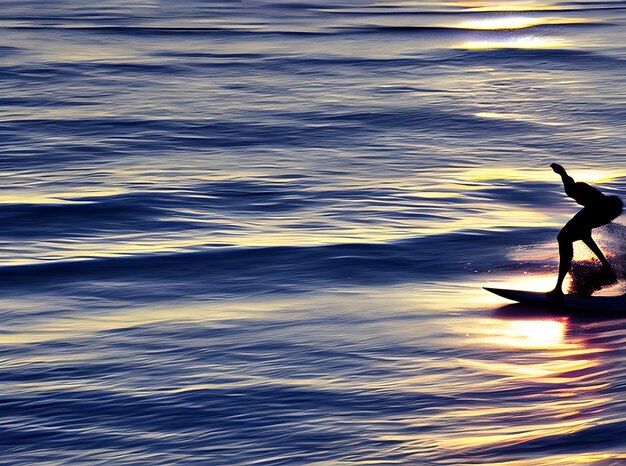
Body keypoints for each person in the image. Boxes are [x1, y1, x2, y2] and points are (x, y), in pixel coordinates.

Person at [548, 163, 623, 297]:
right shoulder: (590, 210)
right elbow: (585, 235)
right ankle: (565, 289)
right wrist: (604, 262)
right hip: (604, 205)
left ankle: (559, 289)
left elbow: (585, 234)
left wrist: (562, 173)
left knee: (564, 238)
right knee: (566, 238)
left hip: (604, 205)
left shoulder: (594, 207)